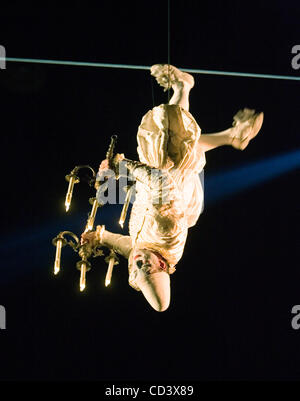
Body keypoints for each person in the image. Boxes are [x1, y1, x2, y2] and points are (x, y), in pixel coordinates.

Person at [81, 64, 264, 312]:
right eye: (148, 266)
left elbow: (129, 247)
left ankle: (231, 135)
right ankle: (184, 86)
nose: (140, 262)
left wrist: (101, 237)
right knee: (167, 134)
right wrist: (121, 164)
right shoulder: (165, 234)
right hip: (169, 179)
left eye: (137, 267)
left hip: (156, 189)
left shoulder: (143, 252)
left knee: (184, 143)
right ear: (162, 266)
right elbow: (160, 181)